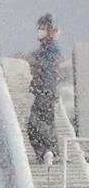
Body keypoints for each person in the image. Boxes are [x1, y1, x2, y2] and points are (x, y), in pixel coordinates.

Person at [27, 13, 64, 165]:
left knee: (35, 124)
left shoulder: (50, 49)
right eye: (39, 28)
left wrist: (37, 67)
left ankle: (49, 152)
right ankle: (48, 152)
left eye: (42, 28)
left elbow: (48, 68)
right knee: (43, 122)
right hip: (44, 91)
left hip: (46, 92)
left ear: (50, 31)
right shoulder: (45, 49)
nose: (39, 31)